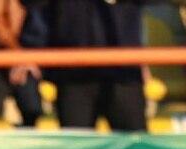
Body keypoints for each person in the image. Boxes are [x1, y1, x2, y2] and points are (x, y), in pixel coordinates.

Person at [20, 0, 147, 131]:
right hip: (73, 72)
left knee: (134, 140)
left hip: (124, 72)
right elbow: (33, 5)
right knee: (77, 139)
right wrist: (31, 49)